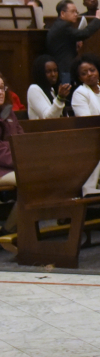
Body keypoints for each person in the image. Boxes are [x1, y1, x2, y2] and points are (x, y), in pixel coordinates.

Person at [45, 0, 100, 77]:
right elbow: (85, 33)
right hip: (64, 68)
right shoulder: (63, 26)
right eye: (73, 12)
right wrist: (97, 18)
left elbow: (63, 45)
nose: (76, 14)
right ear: (62, 13)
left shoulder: (59, 25)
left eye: (76, 12)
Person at [0, 72, 24, 236]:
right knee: (28, 181)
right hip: (3, 168)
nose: (0, 92)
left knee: (37, 179)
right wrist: (21, 158)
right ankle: (8, 231)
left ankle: (8, 230)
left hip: (15, 163)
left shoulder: (8, 111)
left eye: (2, 88)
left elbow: (21, 138)